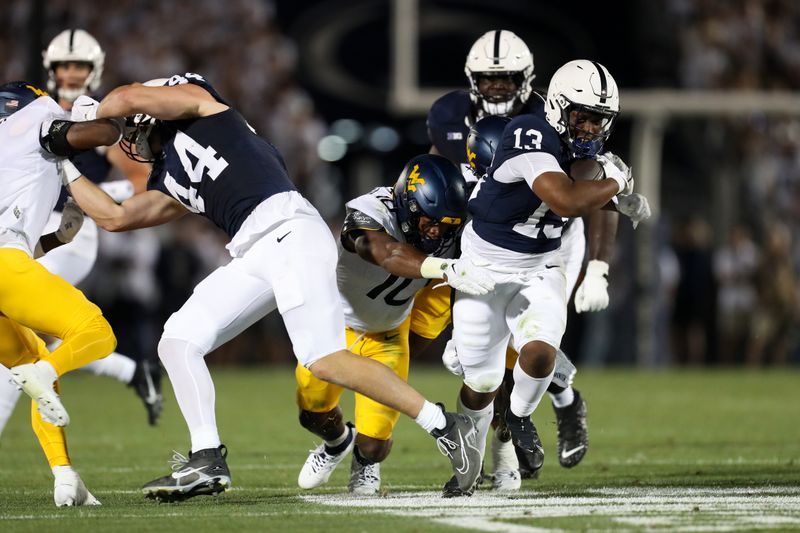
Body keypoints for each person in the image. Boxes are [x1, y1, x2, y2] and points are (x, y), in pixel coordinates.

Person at [64, 72, 492, 502]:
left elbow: (127, 95)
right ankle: (206, 456)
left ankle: (445, 426)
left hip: (288, 231)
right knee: (177, 340)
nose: (131, 136)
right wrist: (61, 161)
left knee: (323, 359)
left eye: (136, 124)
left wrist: (85, 114)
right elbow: (115, 217)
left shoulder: (206, 109)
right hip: (254, 251)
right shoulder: (168, 178)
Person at [446, 59, 645, 495]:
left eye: (600, 120)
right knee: (480, 379)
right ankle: (472, 457)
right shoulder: (529, 132)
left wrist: (598, 269)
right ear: (558, 107)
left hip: (542, 265)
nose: (591, 128)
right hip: (487, 266)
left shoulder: (589, 155)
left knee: (539, 351)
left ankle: (519, 418)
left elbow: (599, 202)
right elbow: (568, 198)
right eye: (583, 117)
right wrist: (618, 180)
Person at [295, 154, 467, 495]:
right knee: (312, 412)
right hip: (333, 327)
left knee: (375, 443)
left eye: (446, 226)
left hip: (388, 333)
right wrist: (445, 268)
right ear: (407, 205)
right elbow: (383, 252)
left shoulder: (452, 233)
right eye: (430, 222)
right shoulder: (371, 210)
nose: (437, 233)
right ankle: (337, 443)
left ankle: (364, 462)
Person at [0, 80, 120, 504]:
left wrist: (55, 240)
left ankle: (65, 477)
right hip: (4, 267)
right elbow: (105, 134)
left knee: (32, 358)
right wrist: (95, 117)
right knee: (96, 333)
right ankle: (46, 374)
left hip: (7, 264)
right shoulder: (35, 125)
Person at [41, 28, 161, 424]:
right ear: (51, 67)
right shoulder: (33, 108)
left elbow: (142, 179)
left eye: (79, 65)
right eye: (64, 65)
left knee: (15, 325)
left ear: (93, 69)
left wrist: (94, 190)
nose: (72, 73)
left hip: (70, 231)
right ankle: (131, 371)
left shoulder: (100, 116)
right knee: (41, 339)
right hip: (26, 228)